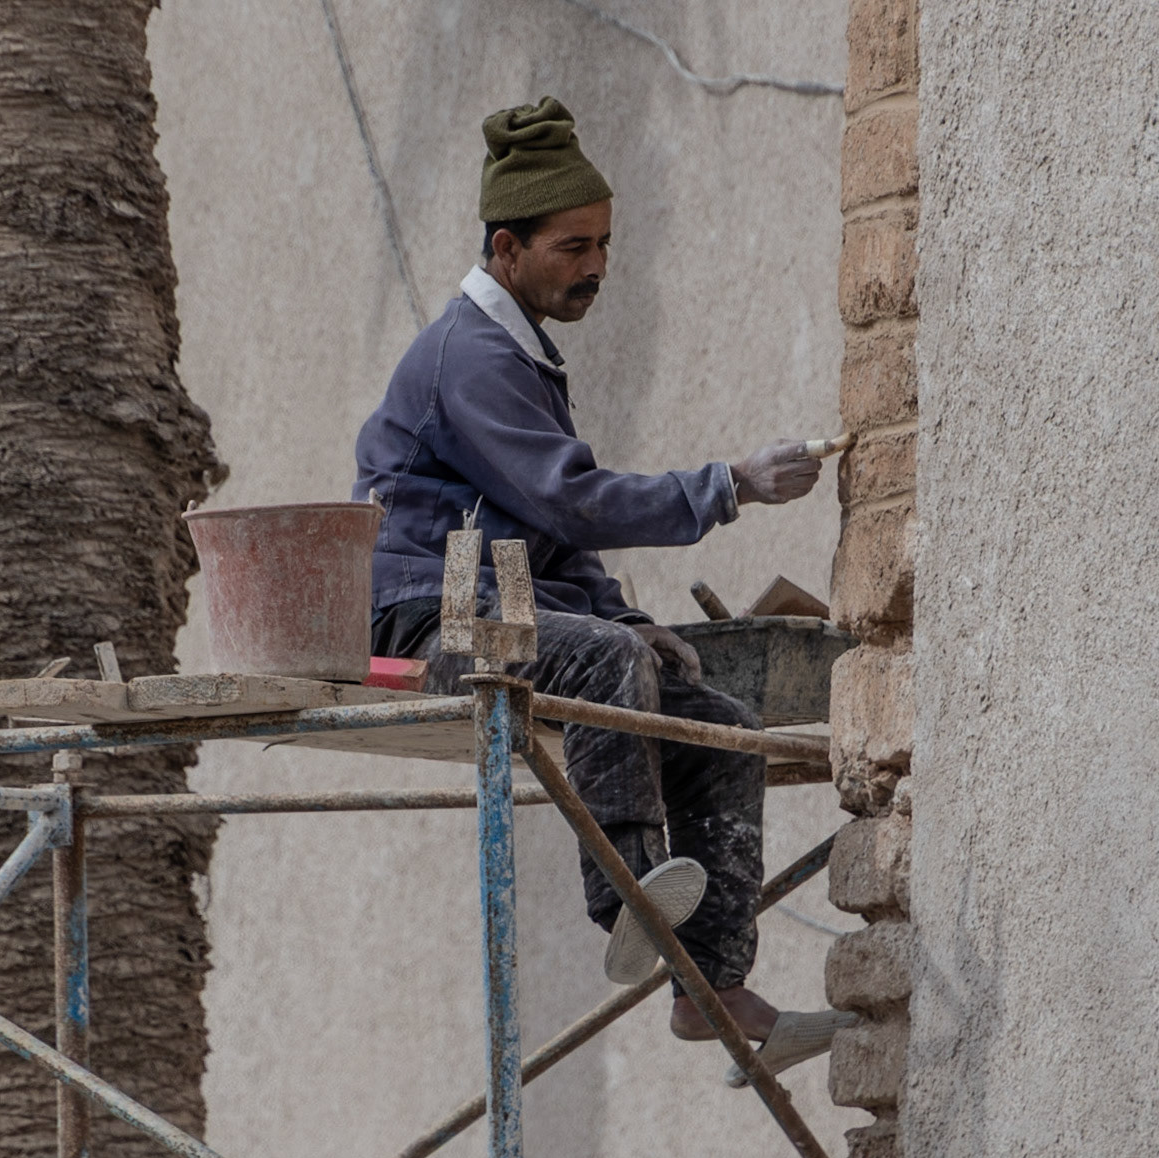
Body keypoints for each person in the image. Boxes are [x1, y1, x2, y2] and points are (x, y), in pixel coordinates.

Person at [352, 97, 851, 1083]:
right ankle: (627, 894)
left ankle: (710, 986)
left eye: (605, 243)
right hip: (428, 621)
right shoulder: (470, 357)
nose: (596, 266)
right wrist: (729, 484)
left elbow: (546, 538)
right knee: (606, 659)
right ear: (506, 248)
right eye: (573, 246)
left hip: (502, 605)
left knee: (717, 719)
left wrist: (626, 613)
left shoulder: (522, 356)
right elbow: (570, 500)